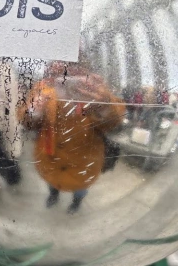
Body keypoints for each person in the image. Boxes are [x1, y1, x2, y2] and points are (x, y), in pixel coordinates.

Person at [18, 63, 126, 214]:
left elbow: (114, 121)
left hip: (85, 161)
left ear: (84, 70)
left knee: (80, 189)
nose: (68, 75)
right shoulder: (43, 87)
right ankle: (53, 196)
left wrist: (104, 106)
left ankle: (76, 203)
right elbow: (26, 121)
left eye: (75, 69)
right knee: (52, 183)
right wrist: (34, 111)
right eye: (61, 71)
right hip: (50, 158)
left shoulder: (95, 88)